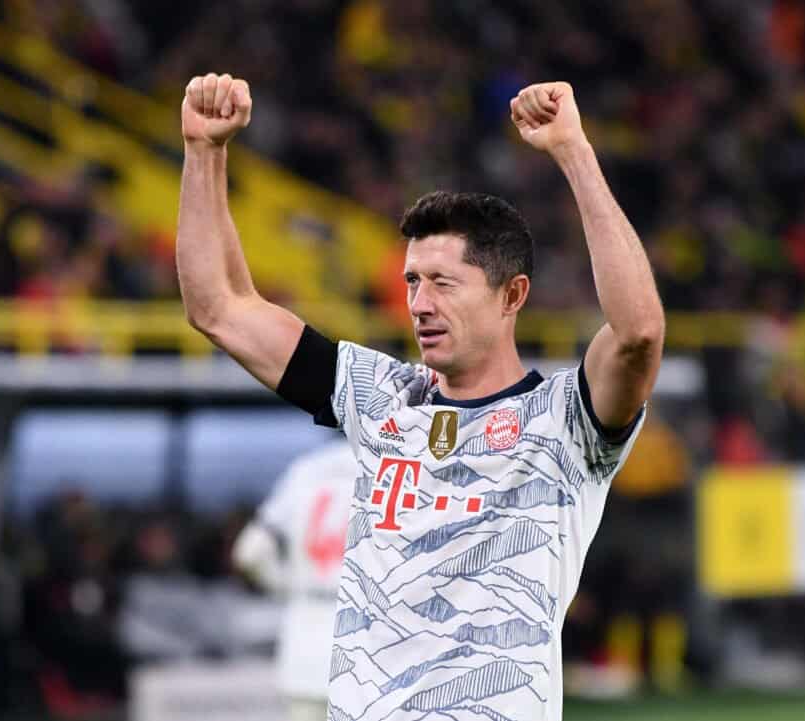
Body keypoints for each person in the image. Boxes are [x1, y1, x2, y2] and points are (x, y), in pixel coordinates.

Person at [176, 73, 664, 721]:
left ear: (512, 295)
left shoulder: (565, 422)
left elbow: (638, 333)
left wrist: (573, 151)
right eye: (412, 281)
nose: (419, 304)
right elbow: (219, 307)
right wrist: (204, 151)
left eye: (443, 282)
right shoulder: (381, 397)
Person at [233, 439, 357, 721]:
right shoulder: (386, 460)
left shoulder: (306, 470)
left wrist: (287, 585)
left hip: (305, 636)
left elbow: (248, 552)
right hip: (366, 640)